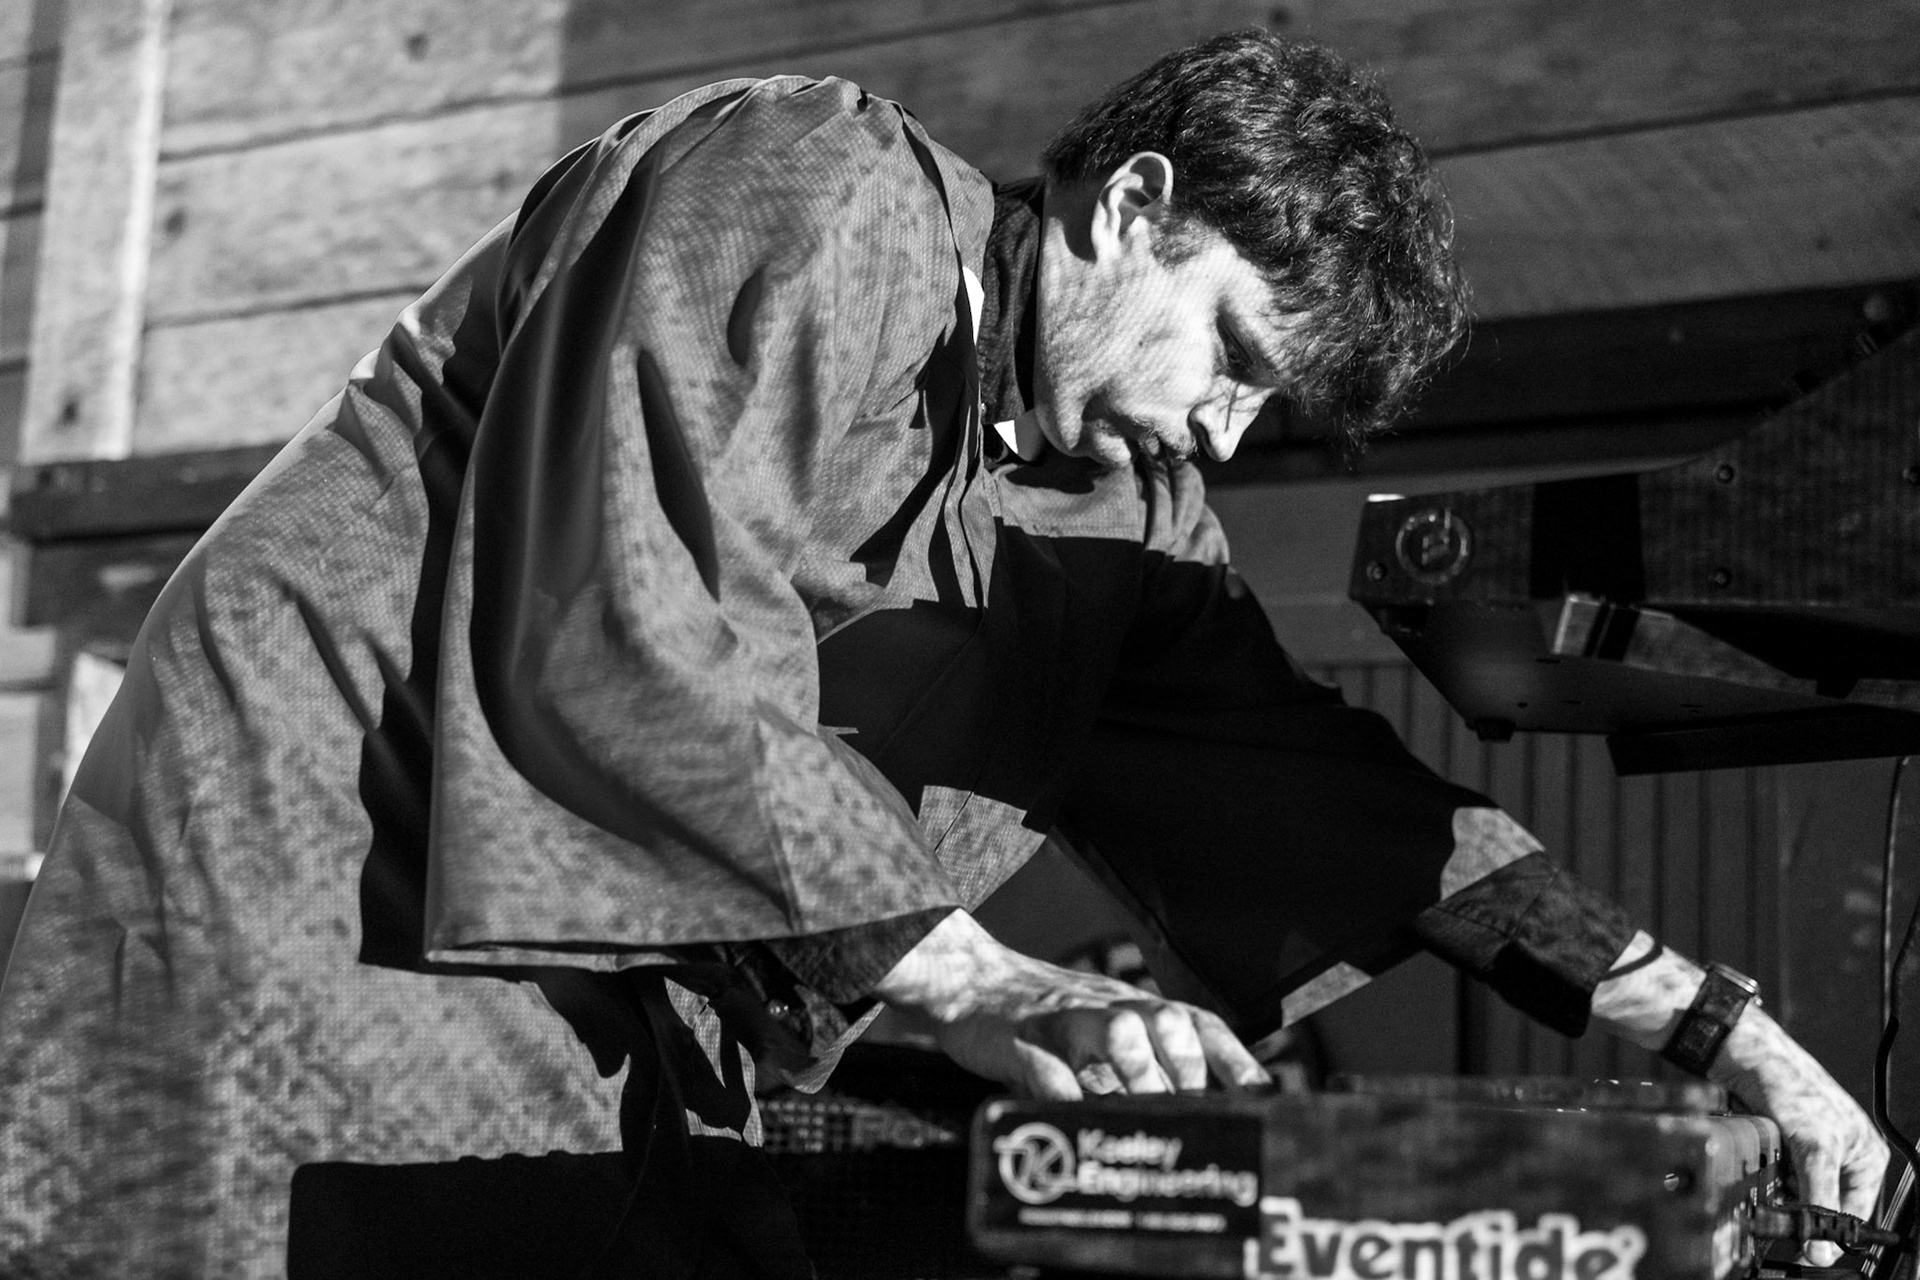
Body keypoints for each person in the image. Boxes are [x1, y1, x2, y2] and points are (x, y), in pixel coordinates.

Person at [0, 27, 1887, 1278]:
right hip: (320, 851)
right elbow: (635, 632)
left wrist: (1719, 1031)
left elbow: (1335, 800)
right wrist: (985, 978)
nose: (1224, 435)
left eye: (1270, 413)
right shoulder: (813, 185)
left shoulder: (1126, 516)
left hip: (585, 987)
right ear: (1130, 207)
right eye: (1232, 354)